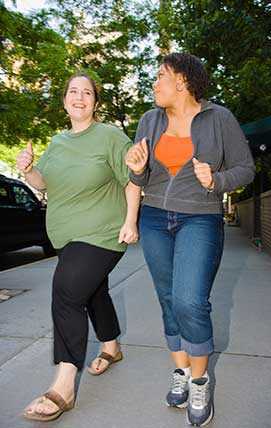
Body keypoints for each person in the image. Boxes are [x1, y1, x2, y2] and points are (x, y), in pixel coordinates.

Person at [125, 52, 255, 427]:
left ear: (182, 81)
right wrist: (136, 170)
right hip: (153, 218)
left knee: (190, 300)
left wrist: (216, 180)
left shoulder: (219, 118)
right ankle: (180, 371)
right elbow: (138, 178)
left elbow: (245, 167)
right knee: (168, 299)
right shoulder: (149, 120)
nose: (155, 83)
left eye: (160, 76)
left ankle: (200, 380)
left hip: (200, 216)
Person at [16, 72, 141, 421]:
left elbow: (132, 177)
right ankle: (112, 346)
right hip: (66, 237)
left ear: (96, 102)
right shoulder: (56, 142)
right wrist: (28, 171)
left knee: (67, 294)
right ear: (64, 100)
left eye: (87, 92)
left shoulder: (110, 137)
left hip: (103, 233)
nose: (80, 97)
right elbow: (45, 183)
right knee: (93, 292)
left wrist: (131, 221)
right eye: (73, 91)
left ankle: (65, 382)